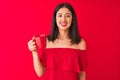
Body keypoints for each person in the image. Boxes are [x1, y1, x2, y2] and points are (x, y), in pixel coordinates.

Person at [28, 3, 88, 80]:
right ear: (55, 19)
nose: (63, 19)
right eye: (59, 15)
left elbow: (82, 75)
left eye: (67, 16)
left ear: (72, 19)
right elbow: (40, 73)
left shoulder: (80, 43)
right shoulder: (46, 41)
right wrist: (34, 52)